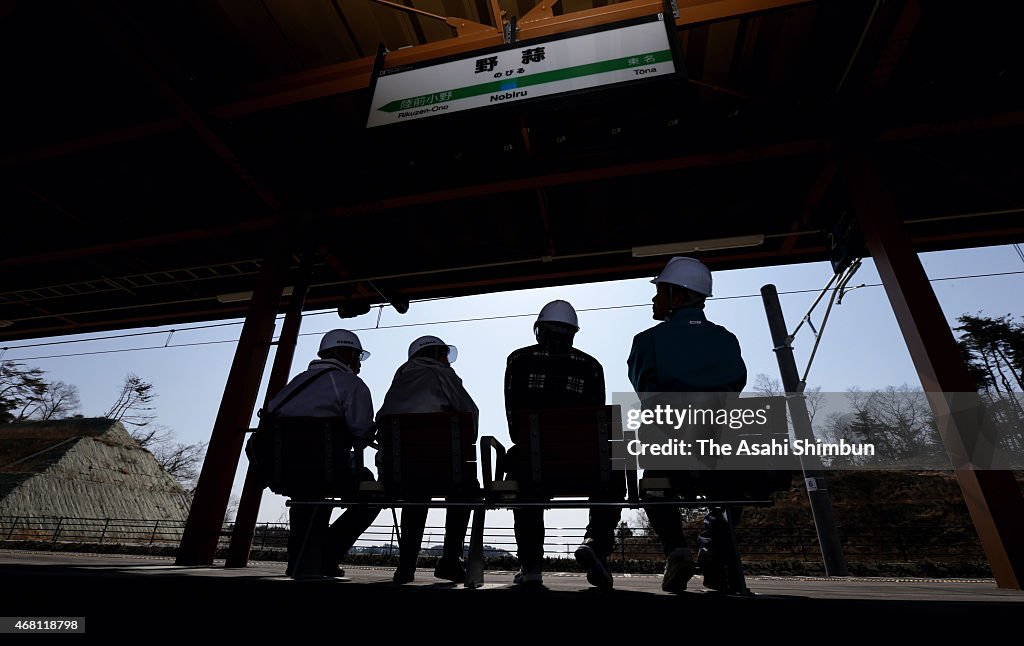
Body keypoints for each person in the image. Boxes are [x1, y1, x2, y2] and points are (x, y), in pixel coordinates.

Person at [627, 257, 747, 593]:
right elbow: (735, 386)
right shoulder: (727, 340)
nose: (653, 299)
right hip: (721, 459)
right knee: (728, 490)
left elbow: (646, 392)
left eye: (659, 292)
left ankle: (677, 552)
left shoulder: (646, 341)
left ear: (677, 297)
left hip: (668, 456)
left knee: (653, 483)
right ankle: (712, 554)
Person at [504, 299, 620, 589]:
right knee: (615, 466)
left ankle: (531, 566)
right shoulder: (592, 366)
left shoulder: (518, 360)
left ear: (538, 330)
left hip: (534, 465)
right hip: (587, 467)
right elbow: (597, 420)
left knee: (523, 468)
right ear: (573, 333)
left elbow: (513, 423)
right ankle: (596, 544)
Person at [266, 329, 381, 579]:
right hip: (330, 472)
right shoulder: (352, 385)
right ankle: (326, 555)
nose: (359, 363)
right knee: (371, 493)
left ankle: (300, 559)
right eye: (358, 356)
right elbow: (361, 430)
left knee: (305, 495)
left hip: (285, 470)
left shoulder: (294, 385)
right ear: (347, 354)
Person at [377, 335, 479, 584]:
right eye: (444, 354)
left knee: (414, 494)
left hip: (400, 474)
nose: (447, 360)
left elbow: (381, 422)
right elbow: (470, 419)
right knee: (466, 490)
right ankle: (450, 560)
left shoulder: (398, 381)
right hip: (446, 472)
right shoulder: (444, 376)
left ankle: (406, 566)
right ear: (435, 355)